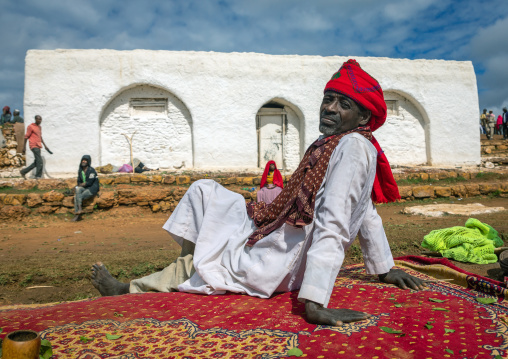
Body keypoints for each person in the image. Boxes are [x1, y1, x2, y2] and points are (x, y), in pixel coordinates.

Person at [90, 59, 425, 327]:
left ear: (364, 115)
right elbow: (365, 210)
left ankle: (133, 288)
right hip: (274, 233)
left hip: (280, 258)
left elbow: (336, 219)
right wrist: (384, 268)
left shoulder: (352, 146)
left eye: (343, 104)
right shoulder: (335, 143)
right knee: (204, 192)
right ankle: (182, 268)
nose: (330, 108)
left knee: (214, 257)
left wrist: (315, 300)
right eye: (328, 99)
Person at [20, 115, 51, 179]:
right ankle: (38, 176)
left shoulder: (39, 127)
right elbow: (26, 137)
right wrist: (24, 147)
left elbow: (40, 137)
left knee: (36, 161)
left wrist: (45, 146)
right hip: (33, 145)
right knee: (40, 161)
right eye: (38, 119)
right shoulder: (30, 127)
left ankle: (23, 172)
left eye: (40, 120)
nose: (40, 121)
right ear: (35, 119)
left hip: (38, 145)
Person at [72, 155, 100, 222]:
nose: (84, 161)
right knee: (78, 189)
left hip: (92, 188)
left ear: (88, 161)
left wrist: (80, 185)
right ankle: (79, 209)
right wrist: (78, 186)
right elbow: (78, 181)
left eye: (85, 160)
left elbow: (89, 183)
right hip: (84, 187)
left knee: (77, 197)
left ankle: (77, 215)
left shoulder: (91, 170)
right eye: (83, 160)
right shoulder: (80, 170)